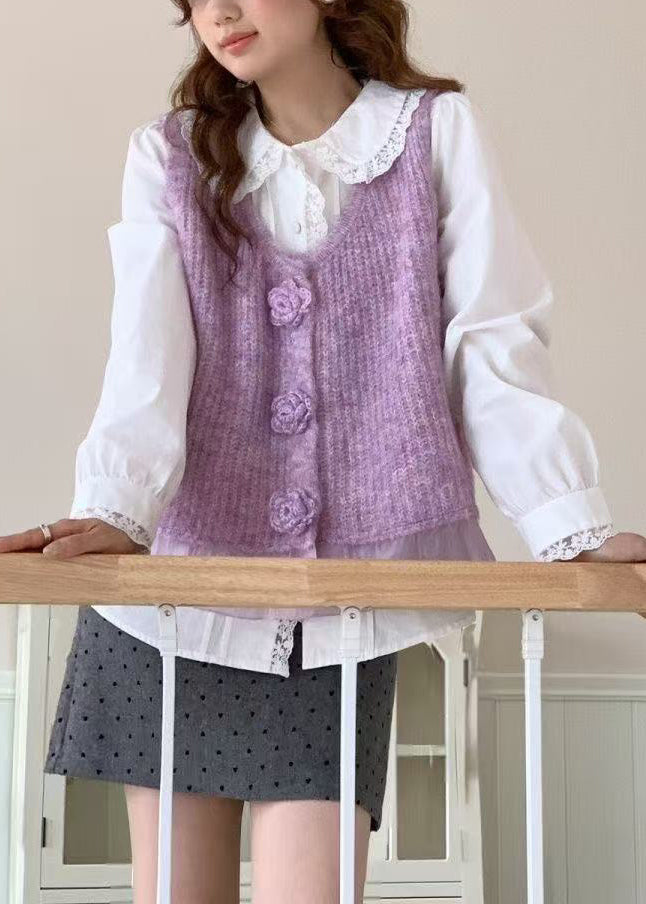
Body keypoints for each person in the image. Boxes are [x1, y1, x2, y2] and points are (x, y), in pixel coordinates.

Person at [2, 1, 645, 902]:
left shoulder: (434, 135)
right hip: (174, 605)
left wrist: (568, 525)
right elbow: (146, 353)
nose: (220, 12)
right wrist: (116, 507)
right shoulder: (170, 155)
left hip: (337, 616)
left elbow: (490, 341)